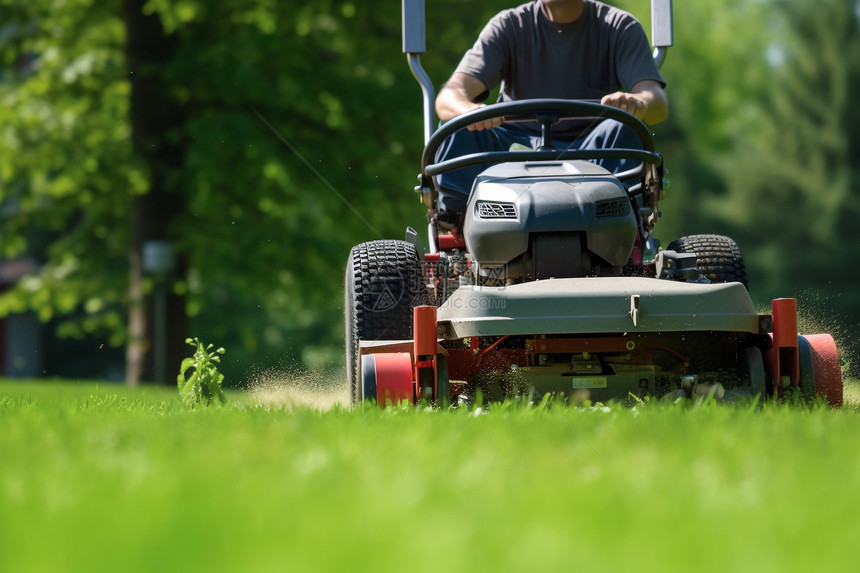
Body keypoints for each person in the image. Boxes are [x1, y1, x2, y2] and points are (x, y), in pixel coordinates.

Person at [432, 0, 668, 227]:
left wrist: (638, 103)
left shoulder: (619, 26)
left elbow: (656, 101)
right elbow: (448, 98)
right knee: (460, 123)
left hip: (593, 150)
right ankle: (456, 226)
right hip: (513, 148)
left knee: (625, 125)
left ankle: (626, 227)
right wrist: (470, 110)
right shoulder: (508, 25)